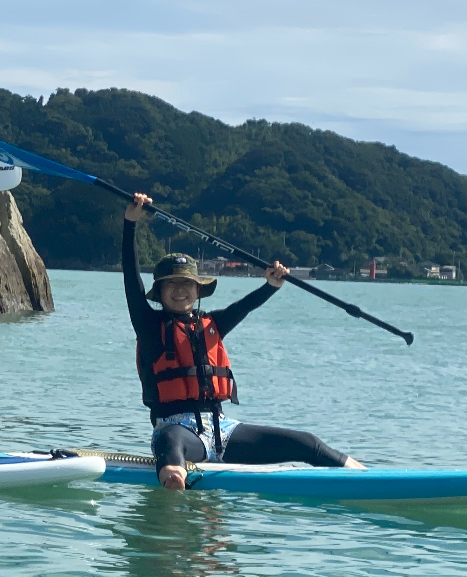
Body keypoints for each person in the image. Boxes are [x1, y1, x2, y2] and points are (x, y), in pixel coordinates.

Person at [123, 191, 365, 490]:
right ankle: (174, 493)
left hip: (224, 431)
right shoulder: (149, 326)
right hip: (179, 436)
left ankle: (368, 477)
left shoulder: (212, 324)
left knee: (307, 442)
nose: (179, 290)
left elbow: (245, 306)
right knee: (169, 437)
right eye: (170, 284)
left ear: (198, 290)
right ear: (158, 293)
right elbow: (131, 280)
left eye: (186, 283)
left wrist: (272, 285)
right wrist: (130, 224)